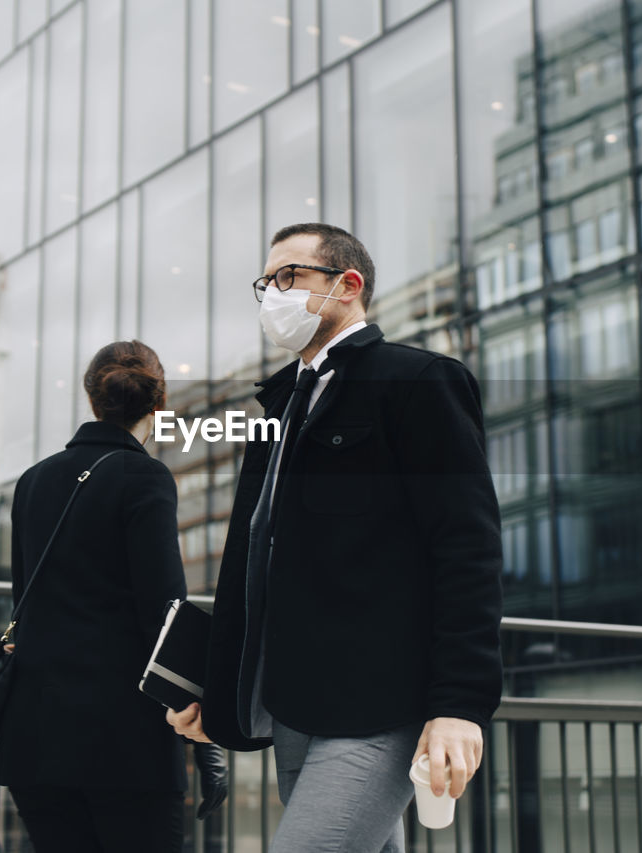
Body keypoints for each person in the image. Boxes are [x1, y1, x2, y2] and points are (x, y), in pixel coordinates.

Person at [168, 223, 504, 851]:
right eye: (266, 282)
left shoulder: (418, 381)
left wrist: (460, 702)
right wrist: (220, 692)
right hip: (296, 701)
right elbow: (253, 566)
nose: (274, 293)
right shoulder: (279, 408)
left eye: (290, 277)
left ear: (348, 285)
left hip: (382, 696)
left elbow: (467, 547)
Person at [0, 340, 224, 852]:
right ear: (158, 403)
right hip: (125, 741)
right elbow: (166, 614)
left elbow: (24, 600)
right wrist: (205, 742)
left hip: (35, 734)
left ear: (91, 396)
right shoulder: (144, 477)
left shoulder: (33, 481)